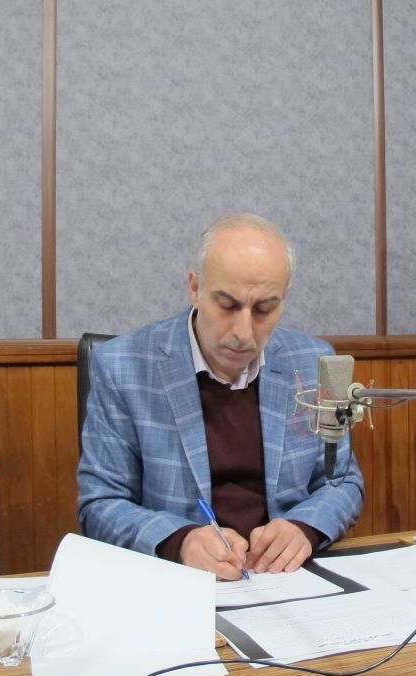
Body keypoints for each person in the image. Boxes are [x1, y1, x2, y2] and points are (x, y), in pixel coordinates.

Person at [77, 213, 364, 580]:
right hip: (178, 581)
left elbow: (342, 482)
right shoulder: (123, 367)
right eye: (227, 305)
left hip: (286, 580)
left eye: (264, 309)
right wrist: (179, 541)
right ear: (195, 287)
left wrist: (304, 528)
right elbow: (100, 503)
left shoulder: (314, 362)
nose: (243, 332)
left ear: (284, 297)